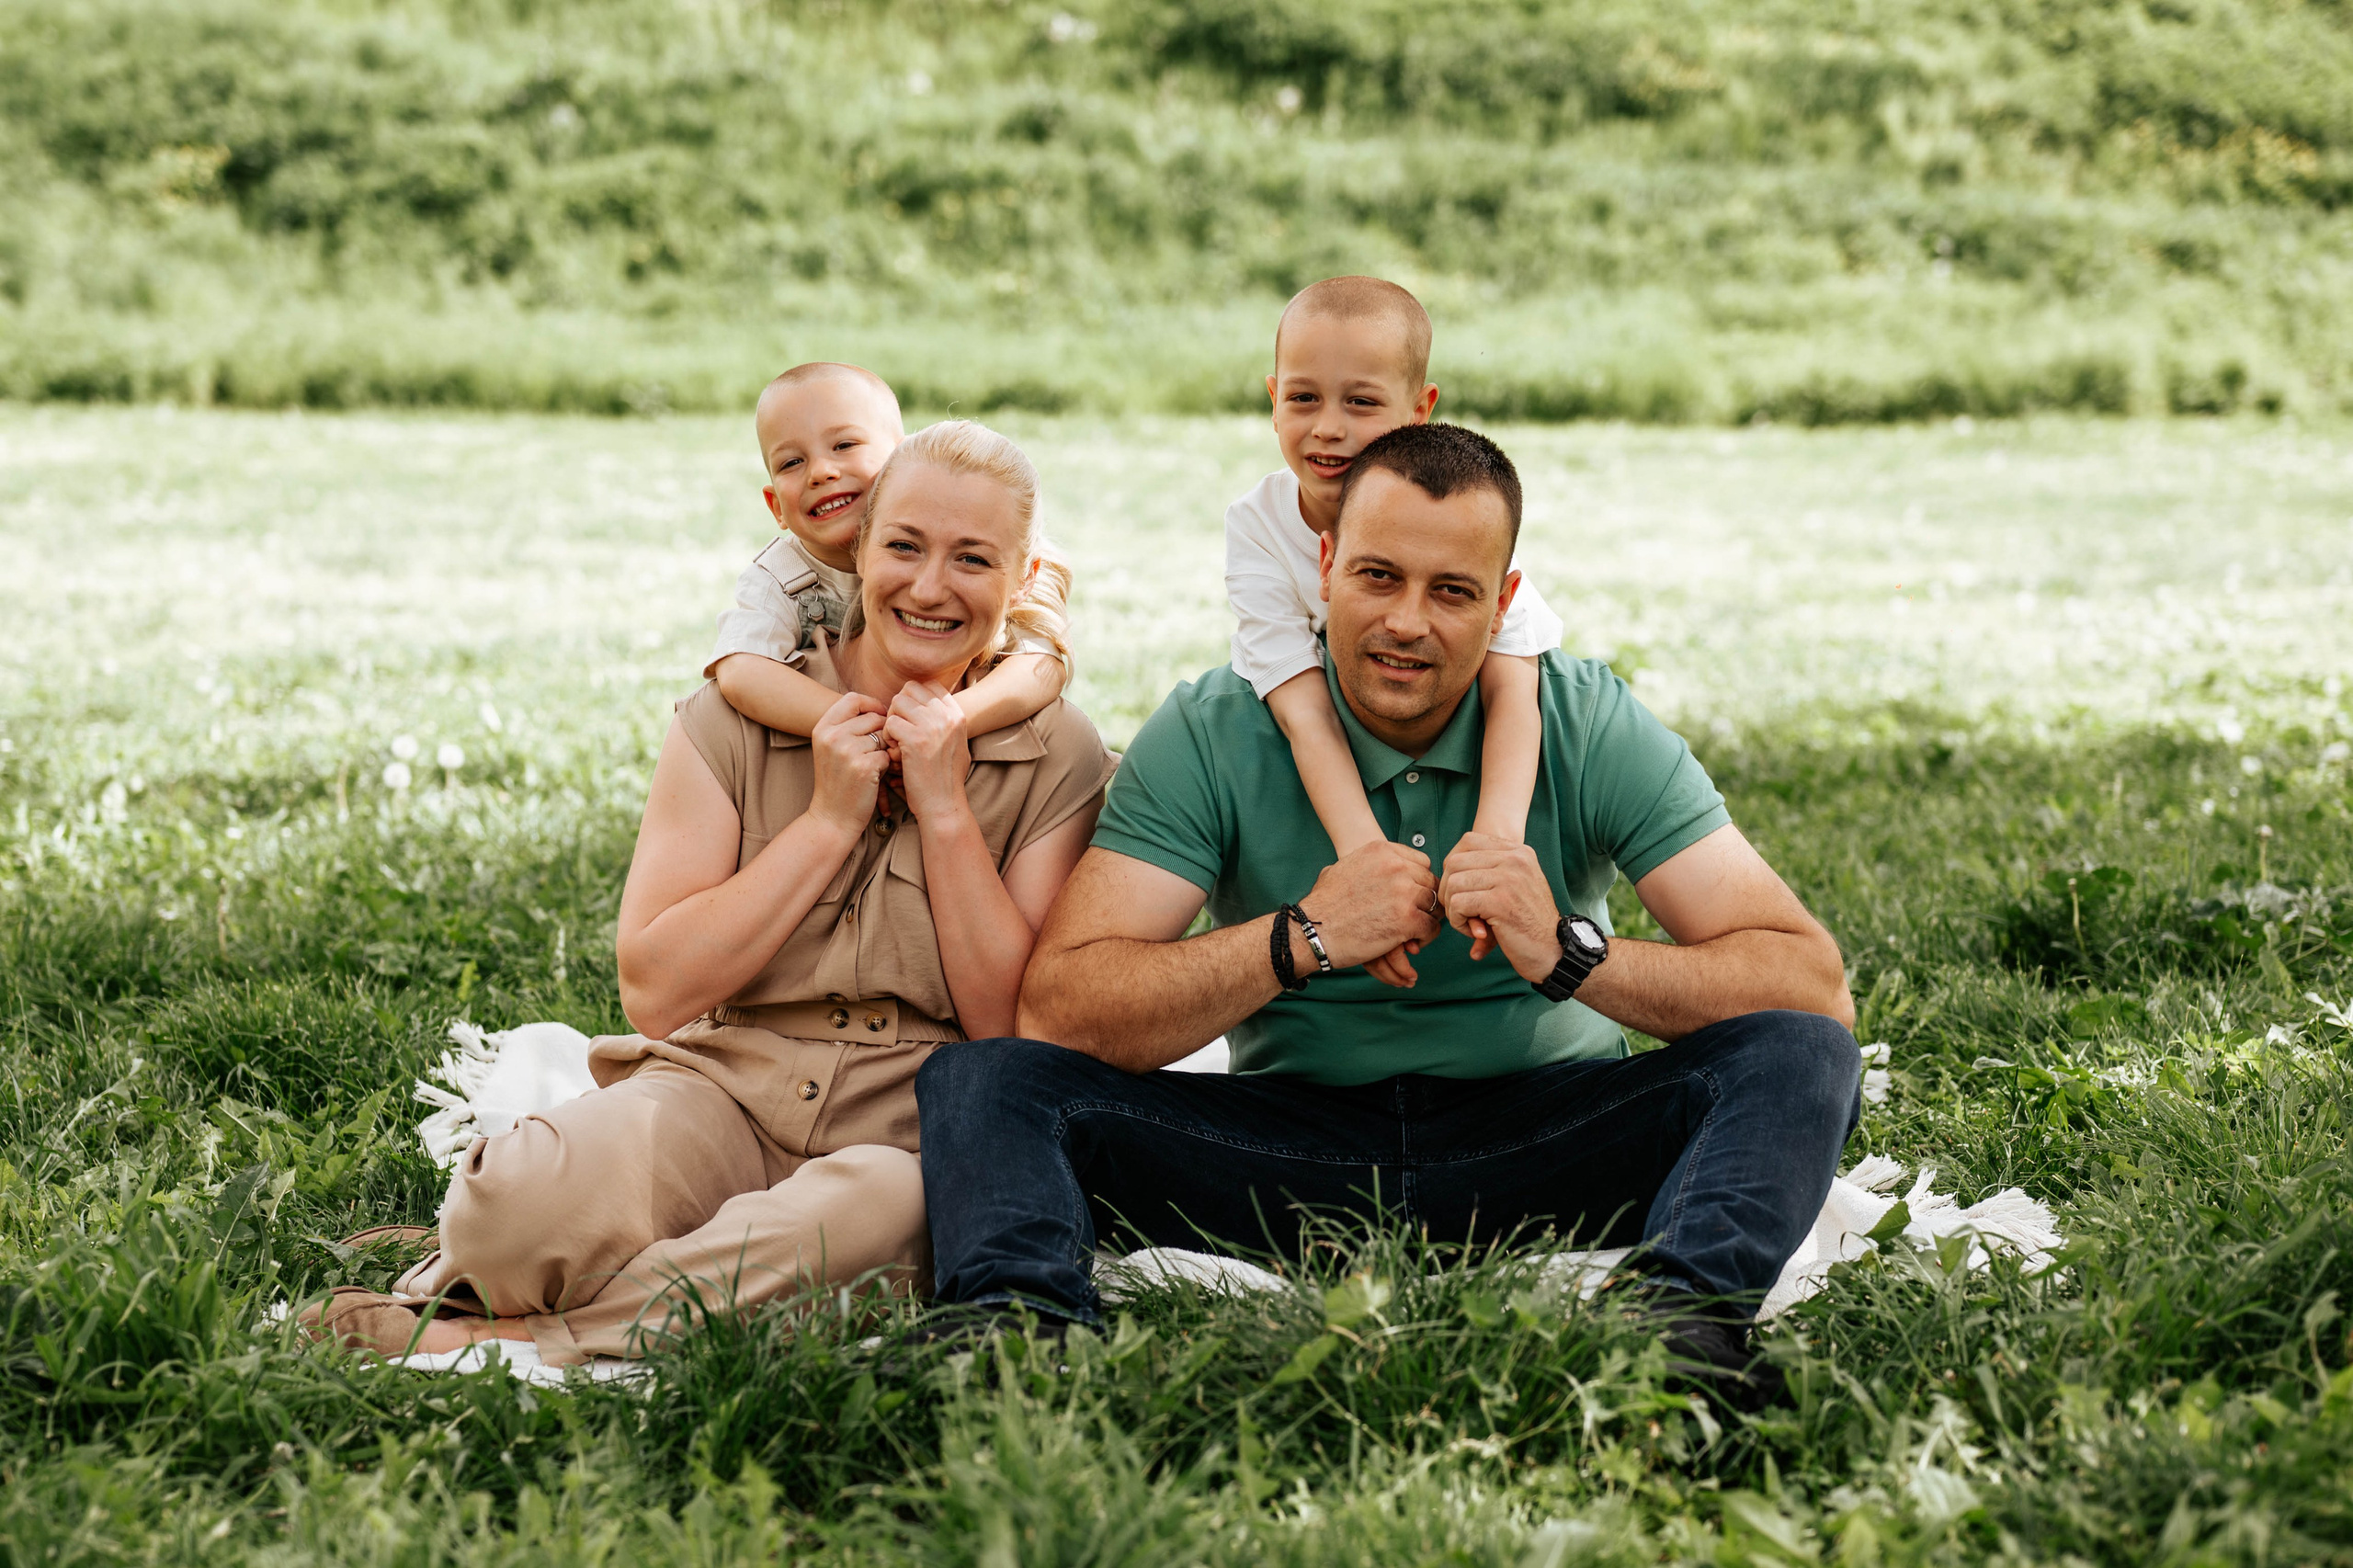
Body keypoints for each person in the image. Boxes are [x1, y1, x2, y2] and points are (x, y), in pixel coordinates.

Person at [917, 423, 1859, 1404]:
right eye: (1377, 576)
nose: (1407, 620)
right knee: (988, 1081)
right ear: (1323, 566)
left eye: (1451, 591)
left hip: (1552, 1142)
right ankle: (1019, 1347)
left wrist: (1570, 953)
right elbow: (1063, 1008)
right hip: (1285, 1154)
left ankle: (1684, 1325)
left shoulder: (1582, 716)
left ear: (1503, 602)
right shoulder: (1216, 724)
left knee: (1798, 1056)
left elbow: (1808, 983)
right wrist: (1302, 937)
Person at [307, 421, 1114, 1365]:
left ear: (1019, 581)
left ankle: (519, 1330)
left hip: (911, 1124)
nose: (930, 586)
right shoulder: (729, 717)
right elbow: (654, 989)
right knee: (503, 1218)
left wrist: (944, 811)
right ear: (860, 546)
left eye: (972, 559)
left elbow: (1008, 1028)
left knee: (881, 1221)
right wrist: (826, 821)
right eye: (904, 545)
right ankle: (563, 1271)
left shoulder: (1060, 752)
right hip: (724, 1082)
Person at [1228, 278, 1564, 982]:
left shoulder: (1455, 515)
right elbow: (1303, 711)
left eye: (1361, 402)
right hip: (1323, 742)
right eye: (1303, 398)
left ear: (1421, 409)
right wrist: (1362, 858)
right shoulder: (1258, 524)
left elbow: (1513, 693)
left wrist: (1497, 841)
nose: (1328, 427)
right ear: (1271, 397)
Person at [708, 361, 1073, 741]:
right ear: (776, 506)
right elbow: (741, 670)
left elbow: (1043, 664)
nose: (820, 471)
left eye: (845, 445)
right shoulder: (779, 579)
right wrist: (867, 730)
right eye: (792, 462)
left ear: (900, 463)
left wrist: (949, 722)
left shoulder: (1000, 557)